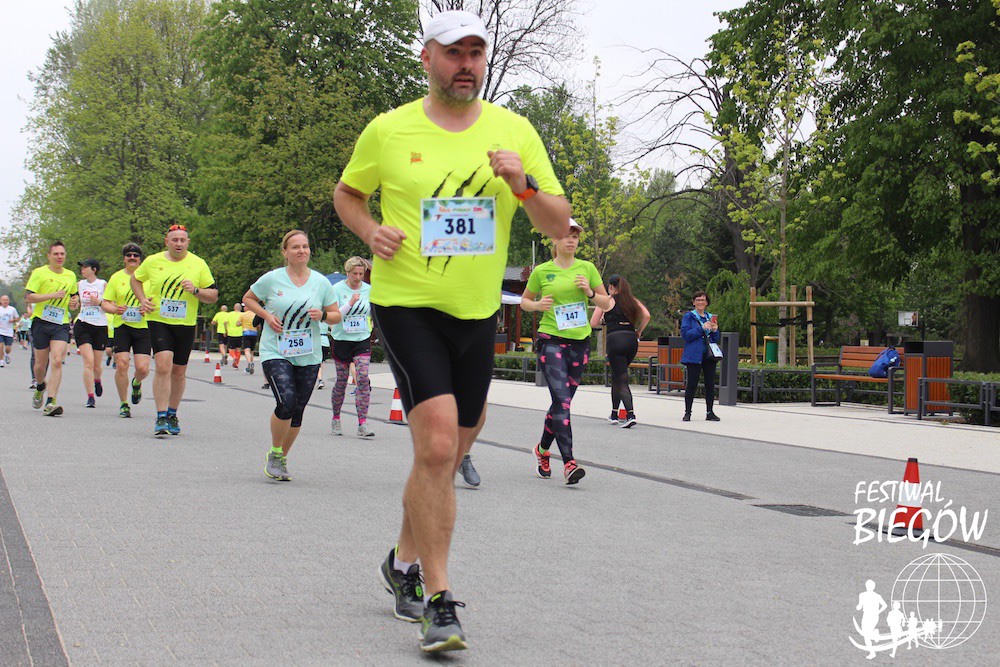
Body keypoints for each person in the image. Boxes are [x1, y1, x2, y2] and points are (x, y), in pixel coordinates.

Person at [333, 9, 570, 654]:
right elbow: (347, 194)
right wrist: (369, 231)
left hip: (476, 313)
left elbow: (559, 223)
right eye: (453, 52)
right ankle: (439, 602)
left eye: (475, 53)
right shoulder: (389, 129)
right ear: (428, 58)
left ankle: (401, 561)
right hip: (407, 303)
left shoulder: (514, 130)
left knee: (450, 448)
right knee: (438, 447)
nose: (466, 64)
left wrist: (522, 185)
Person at [243, 230, 340, 482]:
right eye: (295, 247)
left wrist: (323, 316)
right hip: (276, 350)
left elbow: (336, 315)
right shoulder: (272, 279)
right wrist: (267, 316)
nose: (301, 251)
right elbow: (248, 299)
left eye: (305, 246)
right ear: (284, 252)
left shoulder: (321, 282)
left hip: (308, 354)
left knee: (297, 411)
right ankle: (275, 451)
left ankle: (281, 458)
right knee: (286, 402)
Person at [520, 219, 611, 484]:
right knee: (562, 401)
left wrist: (590, 293)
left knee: (562, 403)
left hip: (579, 343)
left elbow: (607, 302)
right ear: (555, 240)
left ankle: (542, 450)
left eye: (575, 237)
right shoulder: (542, 271)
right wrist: (537, 306)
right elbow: (524, 301)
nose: (571, 240)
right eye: (566, 236)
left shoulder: (587, 268)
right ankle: (569, 462)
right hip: (551, 340)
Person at [131, 223, 218, 436]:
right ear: (167, 242)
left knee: (179, 371)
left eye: (182, 240)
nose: (178, 244)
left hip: (185, 323)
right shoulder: (153, 261)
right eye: (174, 240)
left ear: (188, 242)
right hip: (159, 319)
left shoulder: (198, 264)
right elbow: (135, 279)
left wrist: (195, 290)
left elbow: (213, 296)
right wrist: (142, 300)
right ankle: (160, 416)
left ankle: (172, 413)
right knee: (163, 365)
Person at [26, 240, 80, 416]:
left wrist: (75, 302)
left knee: (57, 360)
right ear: (49, 256)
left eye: (62, 254)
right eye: (56, 254)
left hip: (60, 324)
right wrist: (52, 295)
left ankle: (51, 401)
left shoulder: (70, 275)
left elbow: (74, 296)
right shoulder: (39, 273)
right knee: (40, 366)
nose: (59, 257)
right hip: (41, 322)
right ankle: (41, 386)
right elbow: (29, 297)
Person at [589, 274, 650, 428]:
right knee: (617, 376)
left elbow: (593, 323)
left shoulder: (605, 300)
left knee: (621, 378)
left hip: (615, 339)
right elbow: (647, 315)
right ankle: (614, 413)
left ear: (610, 287)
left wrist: (605, 320)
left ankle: (630, 414)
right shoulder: (632, 300)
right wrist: (639, 331)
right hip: (631, 340)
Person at [101, 242, 151, 419]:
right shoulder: (116, 278)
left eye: (135, 256)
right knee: (122, 364)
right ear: (124, 259)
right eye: (129, 256)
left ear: (140, 259)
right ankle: (123, 404)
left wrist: (148, 308)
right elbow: (105, 303)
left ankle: (136, 382)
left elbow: (158, 301)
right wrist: (114, 309)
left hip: (143, 327)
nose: (132, 258)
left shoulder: (149, 278)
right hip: (122, 326)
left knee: (143, 369)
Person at [329, 257, 375, 438]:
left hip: (361, 338)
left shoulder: (368, 290)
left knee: (362, 377)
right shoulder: (337, 289)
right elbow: (333, 316)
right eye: (354, 273)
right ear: (347, 272)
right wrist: (350, 303)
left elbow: (372, 312)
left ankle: (362, 423)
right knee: (341, 381)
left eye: (361, 274)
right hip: (341, 339)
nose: (358, 277)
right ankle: (336, 418)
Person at [680, 290, 721, 422]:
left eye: (703, 300)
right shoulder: (689, 317)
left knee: (710, 384)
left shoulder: (710, 317)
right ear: (693, 302)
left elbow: (716, 338)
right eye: (697, 300)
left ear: (707, 302)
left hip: (709, 355)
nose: (700, 302)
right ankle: (688, 412)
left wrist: (715, 330)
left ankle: (710, 412)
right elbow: (686, 335)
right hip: (694, 355)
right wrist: (701, 328)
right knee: (692, 384)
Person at [74, 259, 109, 408]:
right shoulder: (79, 285)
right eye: (81, 267)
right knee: (88, 362)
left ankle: (97, 380)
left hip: (100, 326)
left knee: (97, 365)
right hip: (83, 324)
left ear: (94, 269)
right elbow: (74, 301)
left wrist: (99, 302)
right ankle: (90, 396)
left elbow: (110, 304)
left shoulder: (103, 284)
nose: (82, 269)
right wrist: (75, 303)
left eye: (85, 267)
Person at [856, 579, 887, 659]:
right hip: (866, 615)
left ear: (873, 586)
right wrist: (858, 607)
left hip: (873, 616)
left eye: (870, 585)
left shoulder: (877, 596)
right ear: (866, 586)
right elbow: (860, 606)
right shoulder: (862, 595)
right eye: (868, 585)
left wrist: (878, 612)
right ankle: (872, 651)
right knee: (866, 635)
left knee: (866, 635)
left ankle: (874, 634)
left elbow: (884, 605)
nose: (869, 587)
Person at [0, 295, 19, 367]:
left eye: (6, 300)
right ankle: (1, 361)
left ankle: (7, 354)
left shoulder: (12, 309)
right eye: (3, 300)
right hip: (0, 331)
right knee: (0, 347)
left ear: (8, 301)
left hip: (9, 331)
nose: (5, 301)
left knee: (8, 348)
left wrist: (13, 320)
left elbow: (17, 318)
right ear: (1, 301)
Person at [225, 303, 245, 369]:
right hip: (240, 334)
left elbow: (225, 322)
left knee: (231, 349)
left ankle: (234, 357)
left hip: (231, 333)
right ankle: (236, 364)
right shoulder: (243, 314)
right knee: (238, 349)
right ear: (240, 308)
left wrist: (226, 330)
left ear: (234, 308)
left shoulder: (229, 314)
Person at [240, 301, 258, 374]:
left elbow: (237, 323)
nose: (244, 308)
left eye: (244, 306)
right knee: (252, 351)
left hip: (246, 333)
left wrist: (242, 324)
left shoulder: (242, 315)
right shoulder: (255, 314)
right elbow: (258, 325)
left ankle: (249, 362)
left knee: (247, 350)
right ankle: (250, 365)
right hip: (254, 333)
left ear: (247, 307)